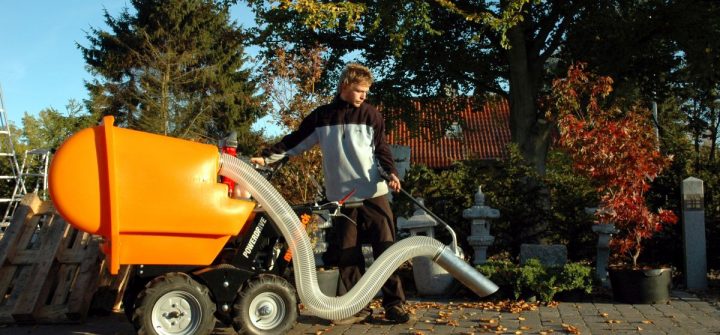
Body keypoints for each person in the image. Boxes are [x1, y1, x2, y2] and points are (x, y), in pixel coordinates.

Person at [251, 63, 409, 325]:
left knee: (386, 250)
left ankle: (395, 306)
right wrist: (266, 158)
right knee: (348, 253)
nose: (363, 96)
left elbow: (381, 150)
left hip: (373, 193)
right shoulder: (322, 117)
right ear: (345, 86)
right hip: (342, 199)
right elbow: (295, 141)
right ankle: (354, 307)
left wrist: (391, 173)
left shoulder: (372, 116)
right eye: (359, 91)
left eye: (366, 92)